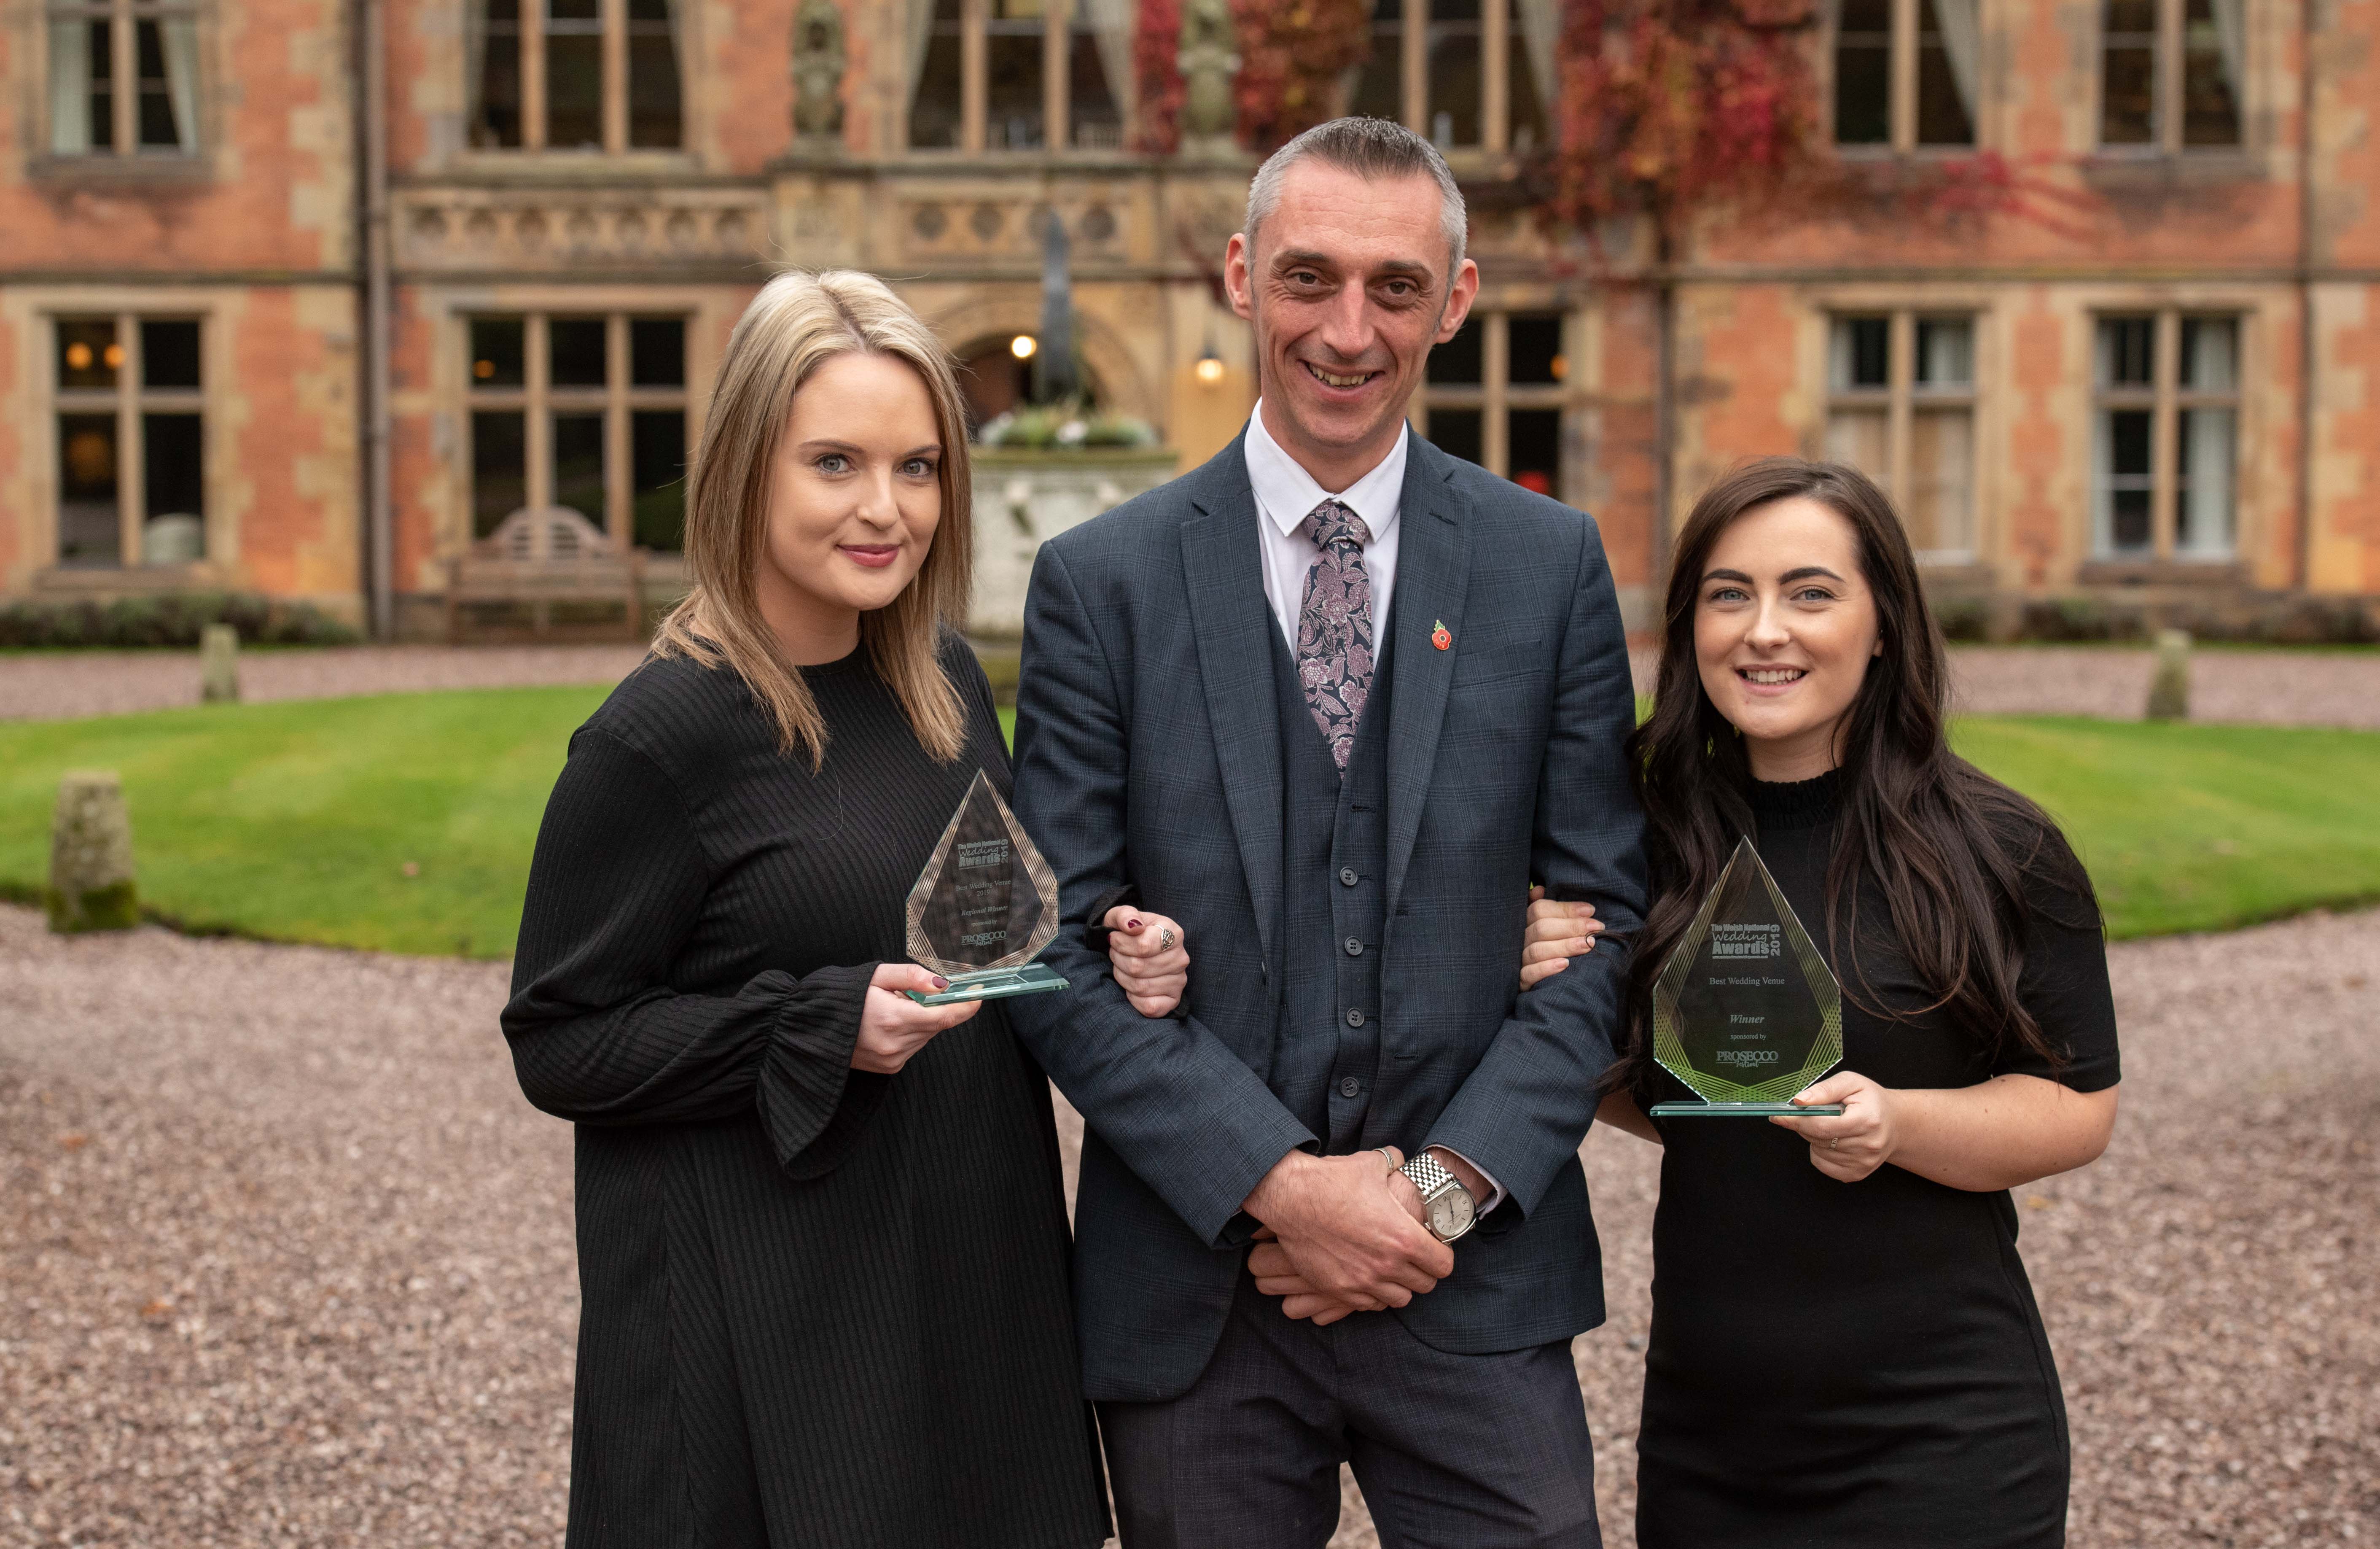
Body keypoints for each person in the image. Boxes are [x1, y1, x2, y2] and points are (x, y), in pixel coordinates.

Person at [1002, 118, 1648, 1547]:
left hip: (1469, 1280)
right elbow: (1045, 941)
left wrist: (1431, 1193)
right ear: (1241, 275)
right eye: (1309, 278)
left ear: (1457, 300)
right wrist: (1283, 1186)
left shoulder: (1552, 569)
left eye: (1396, 288)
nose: (1348, 330)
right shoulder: (1099, 583)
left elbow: (1607, 916)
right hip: (1197, 1295)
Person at [499, 270, 1188, 1549]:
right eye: (836, 463)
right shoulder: (662, 737)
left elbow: (979, 931)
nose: (887, 509)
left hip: (969, 1280)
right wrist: (810, 1026)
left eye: (919, 467)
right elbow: (558, 1039)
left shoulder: (941, 682)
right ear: (747, 468)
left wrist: (1111, 951)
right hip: (771, 1327)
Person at [1522, 457, 2122, 1548]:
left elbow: (2078, 1106)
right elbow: (1660, 1092)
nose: (1765, 631)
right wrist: (1554, 986)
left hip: (1942, 1432)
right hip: (1709, 1436)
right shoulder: (1641, 842)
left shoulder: (2000, 848)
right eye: (1728, 593)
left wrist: (1902, 1124)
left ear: (1884, 621)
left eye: (1810, 592)